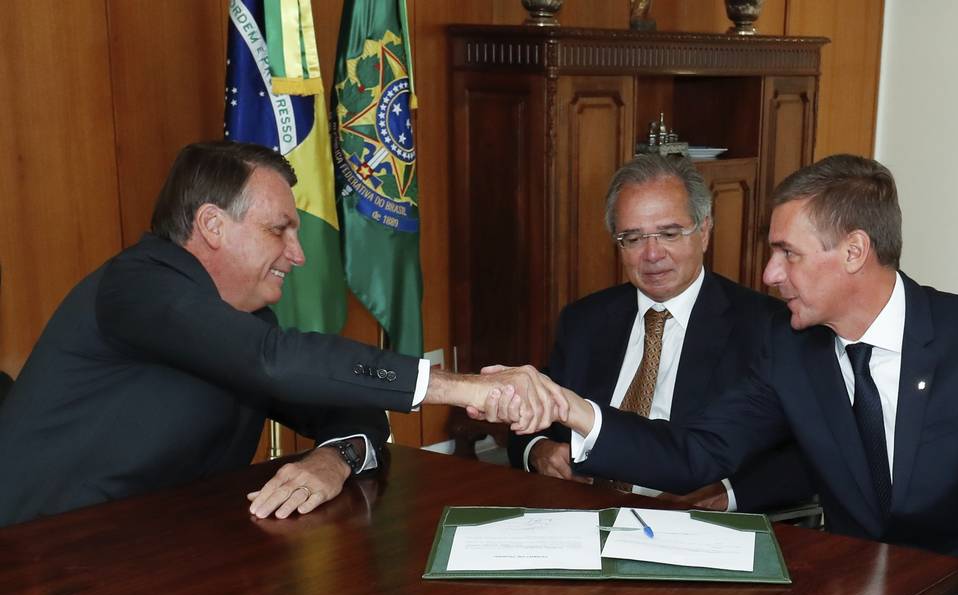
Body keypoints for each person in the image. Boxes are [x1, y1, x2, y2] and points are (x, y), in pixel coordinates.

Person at [490, 155, 958, 595]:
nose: (770, 274)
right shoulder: (791, 349)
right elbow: (695, 453)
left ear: (853, 252)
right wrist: (570, 409)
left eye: (787, 253)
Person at [0, 141, 565, 528]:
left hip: (171, 558)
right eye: (279, 231)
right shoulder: (137, 286)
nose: (296, 255)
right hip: (42, 563)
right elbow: (276, 361)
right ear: (212, 226)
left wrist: (334, 458)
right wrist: (461, 389)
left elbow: (345, 401)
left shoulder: (245, 320)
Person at [506, 154, 812, 512]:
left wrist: (726, 493)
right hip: (583, 513)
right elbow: (533, 413)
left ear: (705, 231)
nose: (652, 254)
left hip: (694, 528)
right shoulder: (585, 320)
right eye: (633, 238)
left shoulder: (767, 327)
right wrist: (538, 451)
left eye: (669, 234)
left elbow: (806, 455)